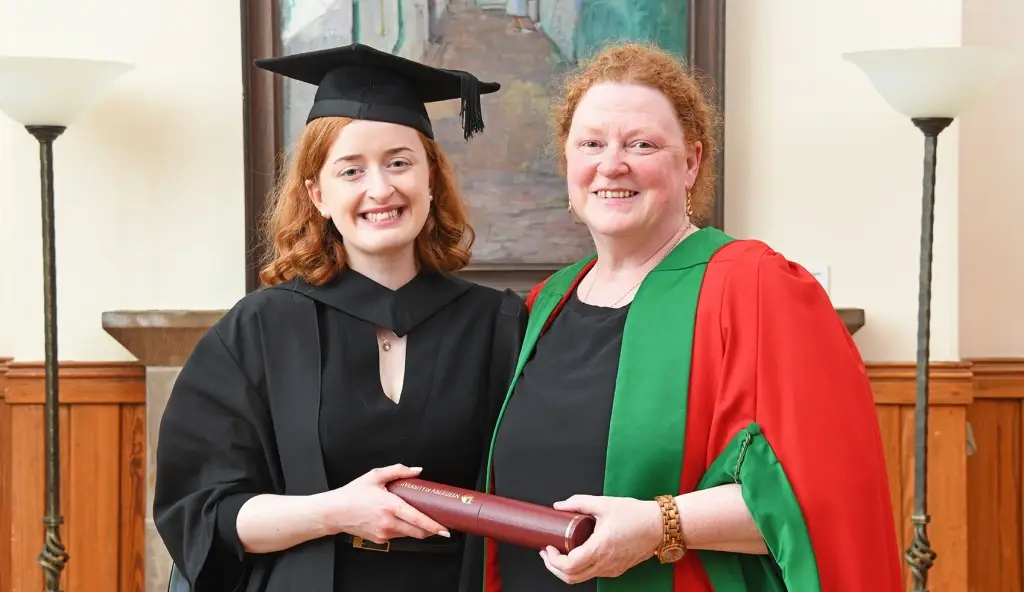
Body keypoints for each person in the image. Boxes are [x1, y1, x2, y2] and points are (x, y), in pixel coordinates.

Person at [471, 42, 904, 592]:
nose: (612, 163)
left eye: (642, 144)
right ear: (567, 160)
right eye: (591, 143)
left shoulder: (755, 288)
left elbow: (823, 495)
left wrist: (659, 525)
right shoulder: (545, 304)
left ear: (692, 161)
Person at [153, 43, 527, 592]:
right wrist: (333, 512)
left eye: (400, 162)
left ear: (431, 179)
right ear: (317, 194)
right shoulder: (259, 330)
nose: (381, 188)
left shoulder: (497, 322)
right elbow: (203, 514)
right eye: (351, 170)